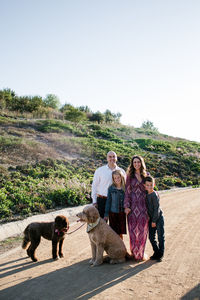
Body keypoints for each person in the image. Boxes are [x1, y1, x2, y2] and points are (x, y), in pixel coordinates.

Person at [124, 155, 149, 261]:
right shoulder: (130, 176)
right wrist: (126, 206)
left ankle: (141, 254)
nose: (136, 164)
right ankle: (134, 253)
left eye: (138, 162)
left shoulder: (146, 175)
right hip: (133, 207)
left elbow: (150, 189)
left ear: (141, 163)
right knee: (133, 231)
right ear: (132, 164)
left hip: (144, 207)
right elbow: (127, 192)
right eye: (134, 162)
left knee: (143, 231)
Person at [91, 151, 126, 218]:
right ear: (107, 158)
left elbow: (125, 187)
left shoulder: (122, 171)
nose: (112, 158)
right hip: (102, 200)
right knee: (101, 224)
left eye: (114, 157)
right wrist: (94, 201)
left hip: (117, 201)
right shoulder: (100, 170)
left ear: (116, 158)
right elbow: (94, 186)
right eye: (110, 157)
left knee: (115, 225)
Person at [144, 176, 165, 261]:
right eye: (147, 185)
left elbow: (157, 208)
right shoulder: (146, 194)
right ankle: (156, 252)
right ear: (144, 186)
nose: (149, 187)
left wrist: (154, 221)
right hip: (151, 219)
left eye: (151, 185)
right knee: (151, 237)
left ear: (154, 184)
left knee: (160, 236)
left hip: (158, 218)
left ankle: (160, 254)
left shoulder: (154, 195)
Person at [104, 170, 126, 239]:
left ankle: (121, 248)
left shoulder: (125, 188)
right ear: (113, 179)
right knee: (113, 233)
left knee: (120, 233)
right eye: (115, 178)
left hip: (122, 213)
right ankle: (115, 248)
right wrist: (106, 214)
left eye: (118, 177)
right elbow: (108, 202)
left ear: (121, 177)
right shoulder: (111, 188)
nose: (117, 179)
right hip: (113, 213)